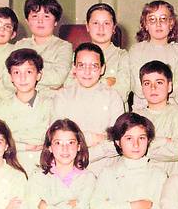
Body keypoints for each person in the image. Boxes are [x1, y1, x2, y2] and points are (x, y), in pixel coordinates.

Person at [17, 119, 95, 209]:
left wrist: (47, 208)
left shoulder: (88, 178)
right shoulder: (37, 176)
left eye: (70, 143)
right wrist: (67, 207)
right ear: (50, 147)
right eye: (58, 143)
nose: (65, 149)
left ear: (79, 146)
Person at [53, 42, 125, 174]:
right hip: (70, 170)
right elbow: (57, 138)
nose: (87, 72)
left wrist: (84, 152)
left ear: (102, 69)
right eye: (81, 66)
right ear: (74, 68)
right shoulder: (62, 97)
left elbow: (118, 141)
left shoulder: (113, 97)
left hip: (105, 170)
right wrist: (94, 138)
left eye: (94, 66)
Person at [0, 48, 53, 173]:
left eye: (29, 72)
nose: (22, 78)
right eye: (16, 73)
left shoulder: (51, 104)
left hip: (44, 169)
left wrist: (15, 139)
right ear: (10, 77)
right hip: (11, 169)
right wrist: (27, 146)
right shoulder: (0, 108)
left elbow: (51, 139)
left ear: (38, 75)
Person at [128, 0, 178, 109]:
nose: (158, 24)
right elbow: (137, 87)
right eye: (152, 20)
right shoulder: (136, 51)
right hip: (143, 109)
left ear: (171, 23)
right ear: (145, 24)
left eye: (163, 19)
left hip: (173, 109)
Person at [134, 60, 178, 176]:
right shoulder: (136, 116)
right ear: (142, 88)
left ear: (169, 86)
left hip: (171, 177)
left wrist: (142, 148)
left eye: (159, 82)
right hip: (140, 177)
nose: (153, 88)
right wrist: (162, 141)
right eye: (147, 83)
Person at [13, 0, 72, 92]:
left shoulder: (64, 47)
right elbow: (7, 79)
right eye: (35, 16)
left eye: (46, 16)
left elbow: (58, 79)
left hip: (50, 101)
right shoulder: (20, 45)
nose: (40, 21)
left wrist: (21, 74)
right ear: (27, 21)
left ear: (56, 21)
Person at [81, 3, 130, 101]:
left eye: (106, 23)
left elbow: (122, 93)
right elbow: (69, 86)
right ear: (87, 26)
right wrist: (106, 82)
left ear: (114, 28)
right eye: (95, 23)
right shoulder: (77, 55)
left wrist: (87, 83)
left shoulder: (122, 56)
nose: (101, 28)